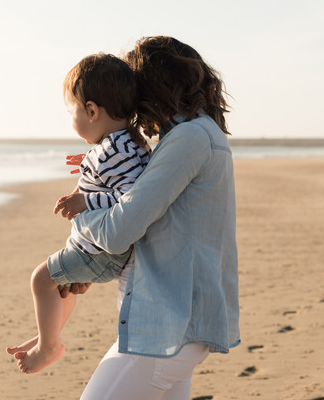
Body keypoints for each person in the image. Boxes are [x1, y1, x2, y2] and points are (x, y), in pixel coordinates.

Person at [66, 36, 240, 399]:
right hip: (176, 324)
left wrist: (83, 211)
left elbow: (119, 231)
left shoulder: (189, 139)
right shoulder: (196, 135)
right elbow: (157, 226)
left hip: (169, 328)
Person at [6, 53, 149, 374]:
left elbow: (131, 197)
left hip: (98, 251)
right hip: (100, 248)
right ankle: (47, 335)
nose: (71, 119)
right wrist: (90, 162)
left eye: (72, 111)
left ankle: (49, 346)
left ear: (92, 111)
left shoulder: (112, 153)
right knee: (62, 284)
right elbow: (116, 176)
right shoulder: (126, 144)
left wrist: (85, 201)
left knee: (42, 279)